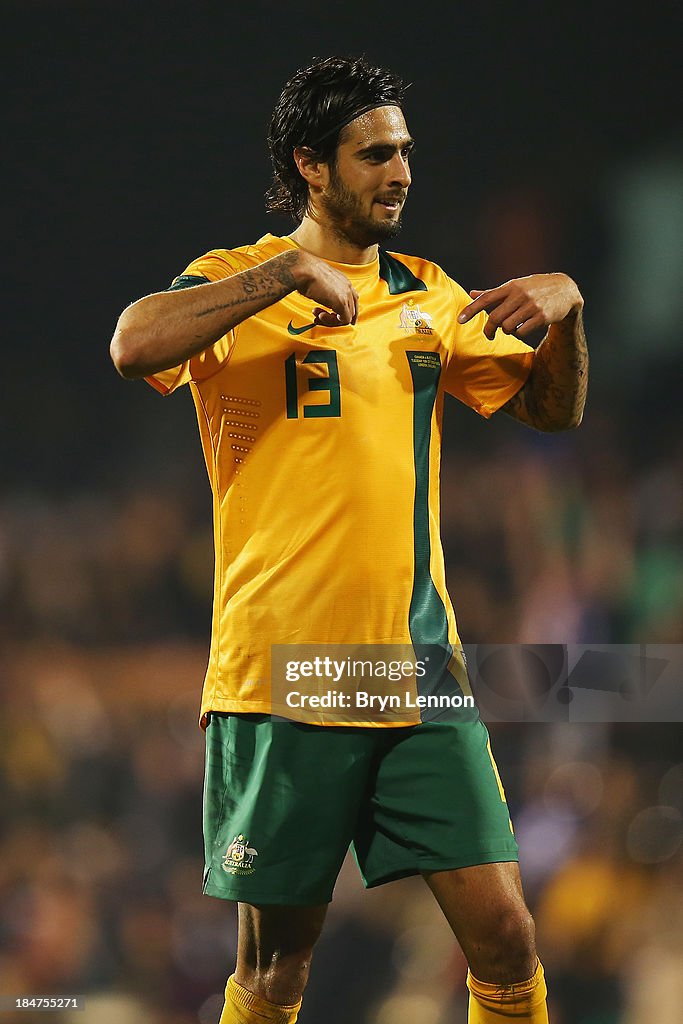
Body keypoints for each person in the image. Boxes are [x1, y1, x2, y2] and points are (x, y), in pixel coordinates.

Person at [110, 55, 587, 1024]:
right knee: (275, 969)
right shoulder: (233, 281)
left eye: (404, 150)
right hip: (281, 671)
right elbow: (132, 343)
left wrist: (566, 310)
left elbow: (551, 411)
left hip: (412, 668)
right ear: (311, 165)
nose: (400, 171)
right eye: (375, 153)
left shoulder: (426, 292)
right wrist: (280, 272)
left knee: (504, 937)